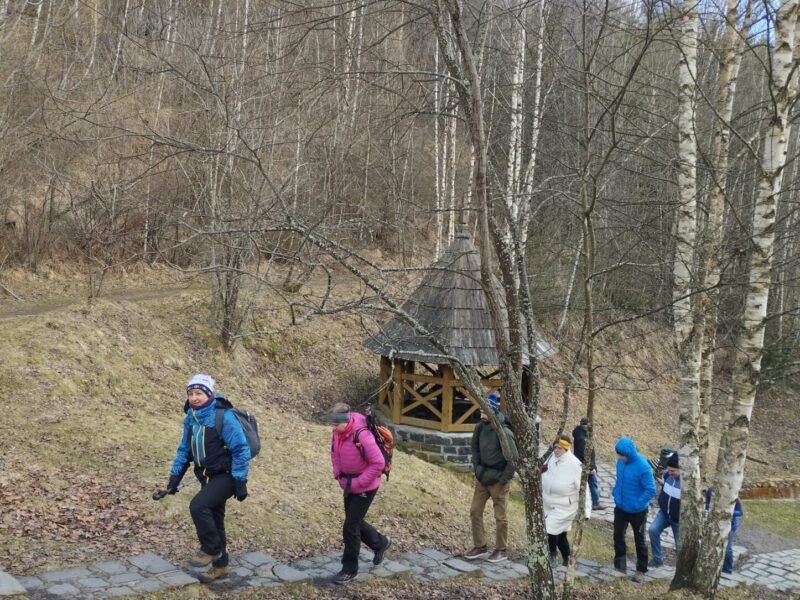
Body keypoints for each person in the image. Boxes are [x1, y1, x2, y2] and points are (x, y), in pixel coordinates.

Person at [165, 373, 251, 583]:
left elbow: (241, 449)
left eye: (199, 393)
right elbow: (184, 450)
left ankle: (210, 549)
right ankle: (221, 567)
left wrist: (240, 481)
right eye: (190, 393)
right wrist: (174, 479)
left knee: (198, 506)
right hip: (206, 475)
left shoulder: (224, 417)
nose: (194, 398)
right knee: (215, 520)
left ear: (209, 394)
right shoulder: (191, 418)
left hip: (227, 475)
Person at [327, 403, 391, 585]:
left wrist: (358, 483)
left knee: (350, 527)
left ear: (344, 421)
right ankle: (381, 543)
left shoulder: (362, 434)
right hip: (348, 483)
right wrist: (338, 474)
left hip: (365, 486)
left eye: (334, 424)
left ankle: (349, 569)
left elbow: (378, 463)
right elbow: (334, 454)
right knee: (355, 522)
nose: (332, 428)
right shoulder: (338, 432)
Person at [464, 393, 516, 563]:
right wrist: (478, 470)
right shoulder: (479, 428)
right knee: (475, 511)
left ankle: (501, 549)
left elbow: (513, 459)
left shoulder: (504, 432)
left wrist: (503, 479)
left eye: (484, 411)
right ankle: (480, 545)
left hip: (499, 480)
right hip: (482, 477)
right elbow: (474, 450)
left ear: (492, 411)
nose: (481, 413)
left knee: (500, 517)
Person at [612, 436, 656, 583]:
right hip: (621, 507)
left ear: (628, 454)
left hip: (638, 512)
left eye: (621, 455)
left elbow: (650, 489)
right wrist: (616, 493)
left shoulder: (643, 467)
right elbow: (619, 480)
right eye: (618, 455)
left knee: (640, 540)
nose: (618, 457)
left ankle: (641, 570)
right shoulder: (620, 462)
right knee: (618, 535)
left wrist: (637, 504)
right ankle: (620, 565)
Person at [541, 435, 590, 568]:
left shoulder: (575, 465)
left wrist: (586, 511)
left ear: (566, 449)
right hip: (548, 503)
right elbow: (544, 472)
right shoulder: (551, 457)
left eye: (560, 448)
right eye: (555, 447)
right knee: (560, 534)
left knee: (550, 528)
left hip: (565, 505)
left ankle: (552, 556)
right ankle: (567, 558)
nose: (556, 450)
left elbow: (584, 490)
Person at [648, 452, 680, 567]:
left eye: (673, 471)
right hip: (665, 514)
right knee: (653, 530)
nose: (669, 472)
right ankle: (657, 559)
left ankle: (682, 568)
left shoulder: (687, 483)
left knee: (680, 545)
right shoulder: (667, 475)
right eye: (669, 470)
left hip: (679, 520)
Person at [704, 488, 744, 574]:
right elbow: (707, 504)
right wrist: (709, 508)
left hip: (730, 525)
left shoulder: (732, 494)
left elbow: (740, 512)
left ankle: (727, 570)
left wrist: (727, 512)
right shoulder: (710, 491)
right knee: (712, 544)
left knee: (727, 548)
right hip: (714, 524)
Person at [572, 417, 605, 510]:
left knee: (589, 483)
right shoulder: (581, 438)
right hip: (583, 464)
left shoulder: (585, 434)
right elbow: (585, 454)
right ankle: (593, 503)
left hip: (585, 463)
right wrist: (591, 467)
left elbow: (591, 453)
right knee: (589, 483)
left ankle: (593, 502)